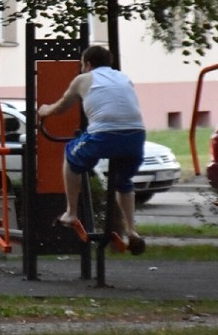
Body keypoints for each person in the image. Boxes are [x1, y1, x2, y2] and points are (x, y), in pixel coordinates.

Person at [37, 44, 147, 255]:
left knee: (71, 155)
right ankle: (132, 230)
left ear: (87, 64)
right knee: (123, 182)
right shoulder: (124, 78)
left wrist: (44, 111)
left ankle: (70, 212)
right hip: (136, 135)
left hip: (104, 134)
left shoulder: (83, 79)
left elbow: (62, 105)